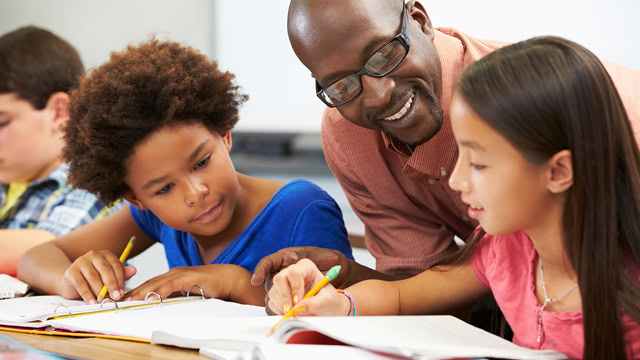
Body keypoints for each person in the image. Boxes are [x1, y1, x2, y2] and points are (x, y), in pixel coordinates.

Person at [265, 36, 640, 359]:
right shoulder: (508, 249)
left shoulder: (628, 297)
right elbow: (403, 296)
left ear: (558, 172)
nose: (457, 181)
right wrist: (340, 304)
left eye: (477, 163)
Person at [252, 0, 640, 290]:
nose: (378, 94)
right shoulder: (348, 135)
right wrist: (349, 276)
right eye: (342, 85)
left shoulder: (558, 104)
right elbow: (424, 286)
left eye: (384, 54)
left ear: (420, 21)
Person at [17, 39, 353, 306]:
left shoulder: (302, 209)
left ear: (224, 134)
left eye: (202, 162)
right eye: (164, 189)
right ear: (136, 198)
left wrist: (233, 283)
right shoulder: (153, 217)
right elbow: (36, 257)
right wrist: (70, 277)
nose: (195, 193)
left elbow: (337, 312)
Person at [0, 26, 120, 276]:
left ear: (59, 112)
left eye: (2, 122)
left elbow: (52, 250)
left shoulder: (95, 181)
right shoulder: (9, 178)